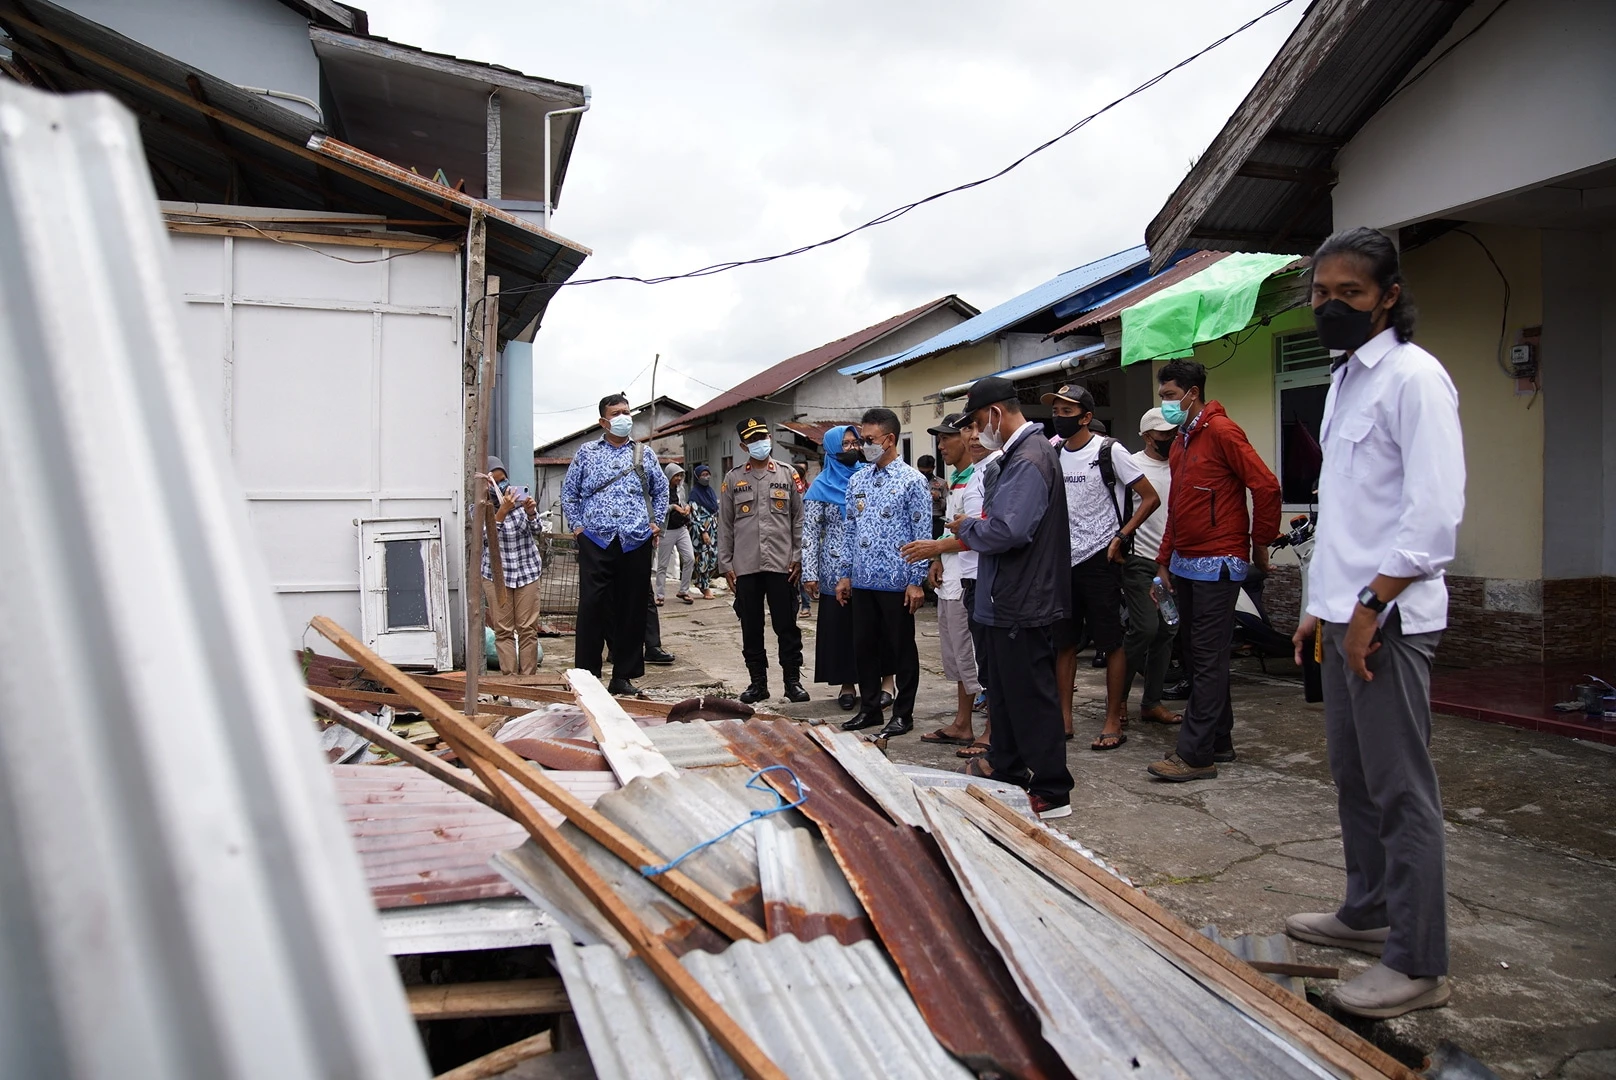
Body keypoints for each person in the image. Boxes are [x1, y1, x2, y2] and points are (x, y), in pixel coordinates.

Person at [1285, 227, 1464, 1019]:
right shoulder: (1344, 381)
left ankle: (1418, 960)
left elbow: (1433, 518)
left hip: (1387, 621)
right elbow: (1347, 513)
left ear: (1388, 296)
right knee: (1353, 779)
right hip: (1342, 613)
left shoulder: (1414, 380)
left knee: (1401, 792)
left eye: (1348, 294)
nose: (1330, 306)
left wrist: (1366, 609)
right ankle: (1367, 909)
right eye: (1321, 293)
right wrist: (1317, 610)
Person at [1145, 359, 1281, 782]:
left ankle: (1195, 754)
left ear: (1192, 392)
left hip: (1219, 561)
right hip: (1185, 562)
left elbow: (1267, 485)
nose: (1165, 404)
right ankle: (1218, 740)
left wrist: (1260, 545)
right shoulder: (1183, 440)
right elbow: (1179, 507)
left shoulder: (1222, 431)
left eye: (1169, 396)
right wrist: (1164, 559)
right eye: (1162, 396)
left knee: (1206, 657)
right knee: (1197, 654)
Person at [953, 377, 1073, 820]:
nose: (975, 433)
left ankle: (1052, 788)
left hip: (1024, 600)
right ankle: (1006, 766)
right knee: (1002, 693)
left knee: (1030, 697)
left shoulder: (1029, 459)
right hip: (1005, 599)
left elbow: (1009, 530)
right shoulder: (1019, 456)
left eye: (978, 422)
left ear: (997, 414)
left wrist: (966, 527)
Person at [1043, 384, 1160, 752]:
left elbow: (1150, 497)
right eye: (1056, 410)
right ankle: (1064, 718)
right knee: (1064, 643)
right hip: (1064, 560)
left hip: (1101, 559)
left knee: (1111, 642)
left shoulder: (1110, 451)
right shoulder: (1053, 450)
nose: (1060, 416)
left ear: (1087, 417)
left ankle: (1113, 718)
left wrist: (1122, 536)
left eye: (1067, 411)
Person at [561, 393, 668, 696]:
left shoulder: (644, 454)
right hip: (596, 538)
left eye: (627, 411)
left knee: (632, 608)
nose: (624, 417)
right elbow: (569, 493)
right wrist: (578, 527)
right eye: (617, 413)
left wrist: (656, 521)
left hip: (635, 540)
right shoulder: (587, 452)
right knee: (593, 606)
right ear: (603, 421)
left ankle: (623, 674)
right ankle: (587, 674)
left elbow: (661, 490)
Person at [836, 407, 930, 738]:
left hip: (897, 582)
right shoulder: (858, 479)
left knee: (901, 649)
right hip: (862, 580)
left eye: (870, 439)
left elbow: (922, 534)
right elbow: (849, 529)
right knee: (864, 647)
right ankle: (871, 708)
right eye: (863, 439)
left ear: (889, 440)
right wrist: (845, 574)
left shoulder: (913, 482)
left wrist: (916, 581)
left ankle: (903, 713)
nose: (864, 445)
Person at [899, 414, 986, 749]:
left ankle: (990, 729)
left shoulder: (981, 478)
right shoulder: (956, 479)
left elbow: (980, 533)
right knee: (957, 655)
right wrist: (937, 559)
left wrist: (935, 548)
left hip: (971, 577)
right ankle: (962, 723)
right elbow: (954, 526)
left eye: (948, 437)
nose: (941, 445)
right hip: (951, 577)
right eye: (939, 438)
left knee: (976, 657)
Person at [802, 426, 898, 709]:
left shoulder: (870, 478)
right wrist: (809, 573)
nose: (852, 448)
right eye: (845, 444)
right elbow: (809, 532)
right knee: (842, 629)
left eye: (855, 442)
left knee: (879, 625)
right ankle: (847, 684)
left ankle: (887, 681)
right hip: (834, 571)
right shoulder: (820, 485)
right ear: (831, 449)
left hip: (872, 565)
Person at [718, 416, 808, 704]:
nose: (761, 443)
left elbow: (799, 519)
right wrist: (726, 564)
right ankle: (758, 683)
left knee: (787, 625)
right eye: (754, 440)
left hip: (782, 565)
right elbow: (725, 524)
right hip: (745, 567)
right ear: (744, 445)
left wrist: (798, 556)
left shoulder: (787, 474)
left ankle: (792, 682)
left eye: (763, 437)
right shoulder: (733, 478)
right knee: (751, 626)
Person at [1124, 408, 1182, 726]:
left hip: (1171, 564)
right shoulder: (1132, 465)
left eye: (1174, 432)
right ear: (1148, 437)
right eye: (1163, 434)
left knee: (1168, 630)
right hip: (1140, 560)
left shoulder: (1180, 465)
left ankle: (1152, 702)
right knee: (1144, 628)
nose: (1170, 438)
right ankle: (1117, 700)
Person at [480, 456, 544, 676]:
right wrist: (502, 511)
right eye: (496, 483)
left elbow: (537, 531)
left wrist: (531, 512)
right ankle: (509, 681)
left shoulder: (519, 501)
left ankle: (528, 681)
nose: (503, 486)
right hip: (496, 575)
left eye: (504, 480)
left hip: (527, 571)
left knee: (528, 629)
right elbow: (486, 540)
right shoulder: (479, 507)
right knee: (504, 630)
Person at [655, 463, 696, 605]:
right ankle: (660, 595)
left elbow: (683, 502)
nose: (678, 478)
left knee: (690, 558)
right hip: (667, 530)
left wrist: (686, 507)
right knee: (663, 564)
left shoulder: (681, 489)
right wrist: (673, 507)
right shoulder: (661, 490)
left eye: (680, 475)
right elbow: (657, 510)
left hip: (681, 527)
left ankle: (684, 590)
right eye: (676, 475)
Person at [688, 463, 720, 599]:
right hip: (701, 531)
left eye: (707, 474)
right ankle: (705, 587)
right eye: (703, 475)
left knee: (714, 557)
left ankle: (701, 582)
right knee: (703, 559)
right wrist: (703, 532)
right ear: (697, 477)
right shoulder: (694, 494)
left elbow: (715, 510)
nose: (706, 477)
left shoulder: (710, 491)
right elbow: (694, 515)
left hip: (713, 529)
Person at [917, 453, 946, 539]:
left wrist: (939, 498)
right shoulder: (914, 482)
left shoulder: (941, 483)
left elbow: (949, 505)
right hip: (919, 518)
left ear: (933, 468)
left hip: (935, 519)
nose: (925, 474)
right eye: (922, 472)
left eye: (928, 472)